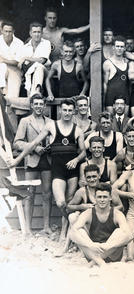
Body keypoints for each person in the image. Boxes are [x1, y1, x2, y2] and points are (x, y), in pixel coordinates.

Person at [22, 99, 86, 241]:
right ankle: (71, 226)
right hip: (57, 170)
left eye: (70, 110)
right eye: (65, 110)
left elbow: (83, 152)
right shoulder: (51, 126)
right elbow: (33, 143)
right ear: (60, 111)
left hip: (72, 171)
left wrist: (76, 160)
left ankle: (65, 232)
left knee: (69, 201)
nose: (67, 113)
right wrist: (16, 160)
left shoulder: (78, 130)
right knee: (61, 203)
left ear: (73, 111)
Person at [13, 94, 53, 235]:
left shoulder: (50, 122)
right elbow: (17, 143)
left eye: (41, 104)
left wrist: (49, 147)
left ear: (44, 106)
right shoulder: (25, 121)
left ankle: (46, 227)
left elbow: (54, 139)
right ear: (31, 105)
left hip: (47, 160)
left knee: (47, 194)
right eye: (35, 104)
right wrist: (34, 147)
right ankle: (28, 229)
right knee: (29, 194)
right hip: (31, 161)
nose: (38, 106)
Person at [69, 183, 131, 266]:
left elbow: (129, 235)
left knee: (120, 231)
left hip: (112, 255)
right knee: (78, 231)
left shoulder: (117, 214)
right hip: (93, 252)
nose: (102, 200)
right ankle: (100, 262)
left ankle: (97, 261)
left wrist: (107, 246)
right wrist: (90, 245)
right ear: (95, 198)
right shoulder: (88, 213)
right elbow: (72, 233)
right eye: (99, 197)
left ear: (110, 198)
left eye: (105, 197)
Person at [0, 21, 24, 129]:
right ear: (1, 30)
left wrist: (3, 60)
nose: (8, 34)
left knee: (12, 101)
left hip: (15, 72)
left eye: (10, 31)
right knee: (2, 67)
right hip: (2, 71)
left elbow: (17, 62)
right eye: (6, 31)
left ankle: (12, 131)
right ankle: (2, 88)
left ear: (13, 31)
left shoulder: (19, 43)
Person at [18, 22, 51, 97]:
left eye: (39, 32)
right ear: (30, 33)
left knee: (38, 67)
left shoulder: (46, 43)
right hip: (29, 74)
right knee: (33, 72)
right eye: (34, 32)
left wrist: (26, 58)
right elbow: (22, 65)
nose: (37, 34)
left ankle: (37, 92)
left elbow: (42, 60)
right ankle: (34, 95)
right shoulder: (25, 47)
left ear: (42, 33)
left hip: (45, 73)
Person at [103, 36, 129, 114]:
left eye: (122, 47)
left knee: (124, 123)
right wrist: (104, 102)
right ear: (113, 47)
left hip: (125, 97)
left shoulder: (127, 62)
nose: (119, 48)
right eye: (117, 46)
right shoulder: (107, 63)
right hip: (111, 98)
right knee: (111, 123)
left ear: (124, 48)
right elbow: (105, 84)